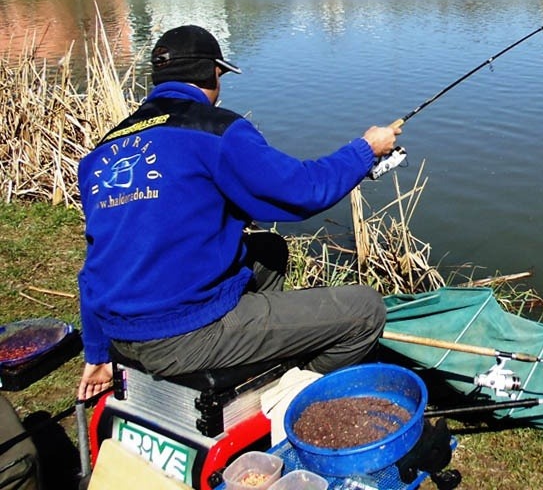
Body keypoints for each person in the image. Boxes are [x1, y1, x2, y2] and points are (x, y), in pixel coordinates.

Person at [76, 25, 400, 401]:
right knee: (366, 311)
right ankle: (287, 392)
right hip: (181, 333)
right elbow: (302, 192)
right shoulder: (217, 130)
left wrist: (98, 354)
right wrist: (365, 150)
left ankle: (258, 352)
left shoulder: (102, 153)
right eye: (220, 74)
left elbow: (95, 263)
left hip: (121, 332)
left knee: (269, 250)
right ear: (212, 73)